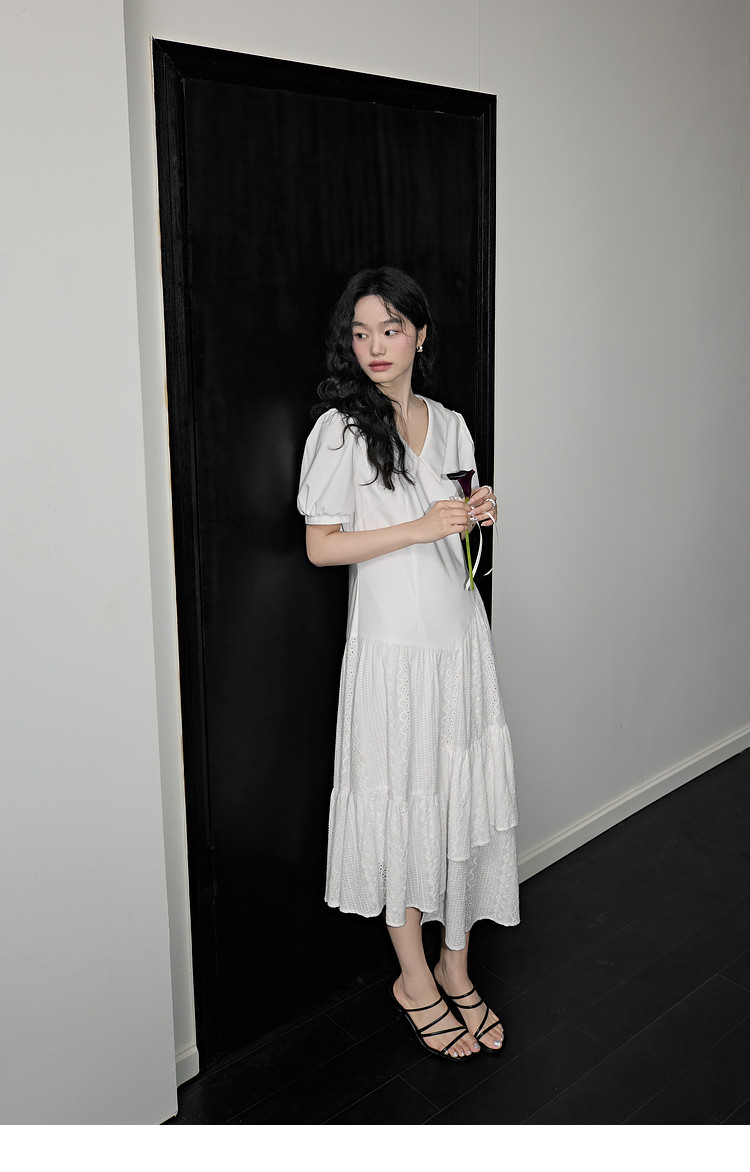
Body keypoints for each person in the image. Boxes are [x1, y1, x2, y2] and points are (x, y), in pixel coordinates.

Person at [297, 267, 519, 1062]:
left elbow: (458, 531)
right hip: (392, 653)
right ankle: (415, 980)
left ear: (420, 334)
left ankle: (457, 964)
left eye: (390, 329)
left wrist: (477, 514)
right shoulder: (341, 431)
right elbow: (322, 547)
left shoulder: (451, 424)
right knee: (404, 801)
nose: (375, 346)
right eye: (360, 333)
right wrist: (421, 526)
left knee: (458, 801)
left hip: (460, 641)